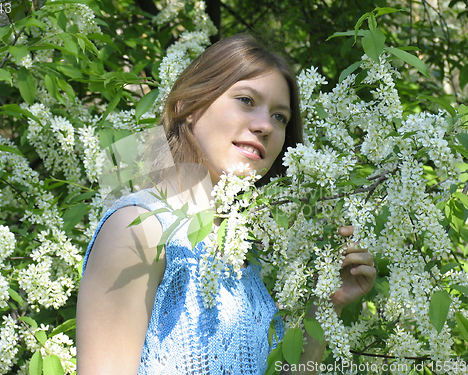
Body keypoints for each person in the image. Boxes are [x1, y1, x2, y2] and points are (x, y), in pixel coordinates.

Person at [76, 33, 376, 375]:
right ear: (186, 108)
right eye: (246, 100)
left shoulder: (247, 259)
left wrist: (326, 306)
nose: (265, 126)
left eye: (280, 117)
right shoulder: (142, 229)